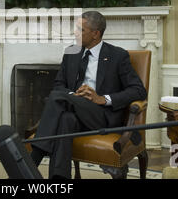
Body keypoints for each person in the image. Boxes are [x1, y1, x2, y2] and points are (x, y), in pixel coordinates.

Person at [30, 11, 147, 179]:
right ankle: (59, 181)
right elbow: (59, 85)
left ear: (95, 34)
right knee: (65, 120)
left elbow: (138, 90)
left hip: (101, 116)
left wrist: (102, 99)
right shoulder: (71, 52)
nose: (75, 33)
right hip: (75, 112)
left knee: (56, 97)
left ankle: (33, 159)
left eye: (80, 29)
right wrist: (73, 96)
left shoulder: (117, 56)